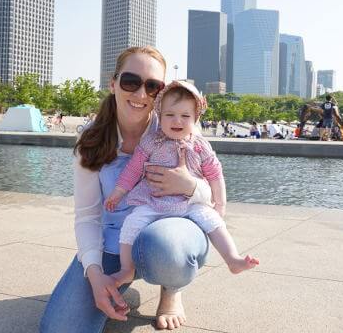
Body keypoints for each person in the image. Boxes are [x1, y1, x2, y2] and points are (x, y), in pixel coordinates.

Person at [40, 46, 215, 332]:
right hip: (113, 243)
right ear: (113, 83)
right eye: (131, 82)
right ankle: (118, 277)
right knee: (59, 329)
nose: (141, 94)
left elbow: (213, 194)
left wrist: (190, 185)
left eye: (153, 86)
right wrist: (95, 275)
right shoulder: (92, 138)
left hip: (167, 234)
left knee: (167, 248)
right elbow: (87, 216)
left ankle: (171, 289)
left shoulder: (178, 124)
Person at [104, 81, 259, 286]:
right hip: (152, 201)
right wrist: (118, 192)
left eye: (185, 116)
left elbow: (215, 174)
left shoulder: (199, 144)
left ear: (196, 118)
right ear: (159, 115)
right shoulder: (151, 141)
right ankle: (126, 269)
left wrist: (220, 203)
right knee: (131, 223)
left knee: (213, 221)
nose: (177, 120)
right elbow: (133, 170)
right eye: (170, 115)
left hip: (189, 203)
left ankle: (232, 259)